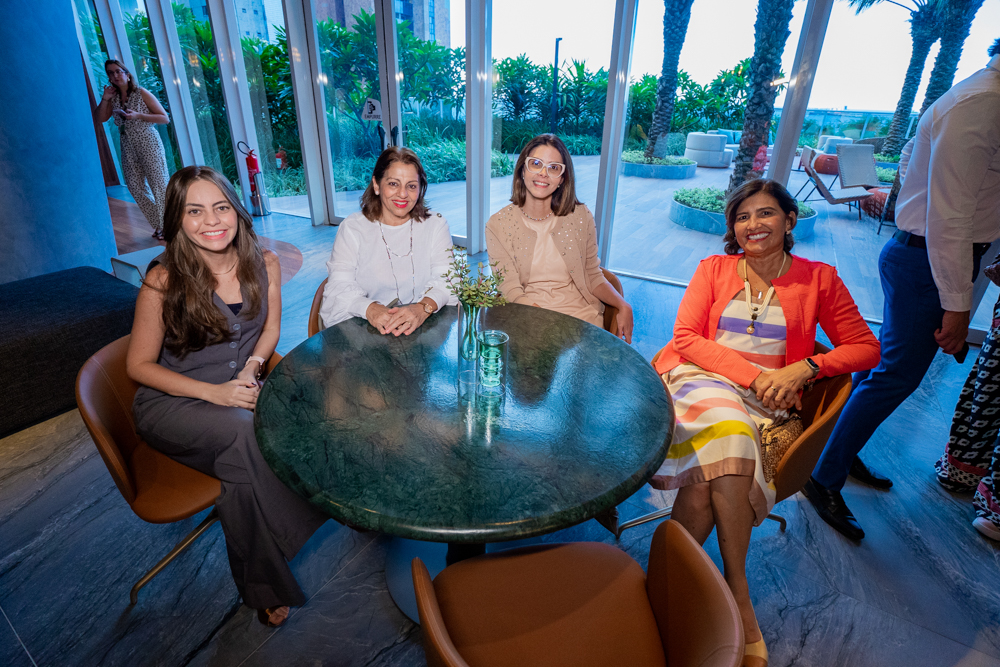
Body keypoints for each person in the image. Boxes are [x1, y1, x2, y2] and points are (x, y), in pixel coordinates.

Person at [651, 179, 879, 667]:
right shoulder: (713, 268)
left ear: (790, 221)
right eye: (742, 216)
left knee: (705, 483)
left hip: (772, 405)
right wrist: (755, 376)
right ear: (733, 227)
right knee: (731, 434)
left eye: (766, 214)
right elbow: (687, 338)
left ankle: (664, 586)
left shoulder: (820, 279)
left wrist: (807, 367)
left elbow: (867, 347)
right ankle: (738, 591)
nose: (753, 224)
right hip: (698, 381)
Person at [807, 38, 1000, 541]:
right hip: (926, 262)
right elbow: (950, 218)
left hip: (930, 258)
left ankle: (839, 453)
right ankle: (821, 476)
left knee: (888, 374)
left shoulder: (974, 98)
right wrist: (958, 307)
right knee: (895, 377)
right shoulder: (978, 105)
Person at [128, 166, 327, 628]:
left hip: (237, 389)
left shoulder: (266, 262)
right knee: (246, 435)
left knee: (240, 473)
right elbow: (138, 367)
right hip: (172, 403)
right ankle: (322, 513)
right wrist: (214, 393)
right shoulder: (163, 280)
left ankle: (262, 585)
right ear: (177, 219)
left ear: (237, 212)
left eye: (221, 207)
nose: (211, 220)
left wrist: (253, 368)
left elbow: (271, 329)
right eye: (194, 210)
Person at [485, 134, 634, 341]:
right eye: (536, 164)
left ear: (562, 179)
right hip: (529, 319)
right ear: (522, 170)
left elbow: (593, 275)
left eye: (554, 168)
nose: (543, 174)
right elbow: (510, 290)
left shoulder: (581, 216)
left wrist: (622, 304)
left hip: (580, 321)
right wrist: (548, 323)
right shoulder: (498, 225)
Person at [320, 147, 456, 332]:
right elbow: (338, 287)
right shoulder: (353, 228)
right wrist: (370, 309)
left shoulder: (435, 225)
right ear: (376, 185)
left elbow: (449, 280)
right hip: (368, 329)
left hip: (421, 327)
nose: (402, 194)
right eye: (393, 184)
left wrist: (423, 307)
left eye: (411, 186)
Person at [93, 59, 171, 239]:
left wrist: (138, 115)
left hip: (147, 140)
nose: (115, 75)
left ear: (127, 74)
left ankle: (167, 226)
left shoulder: (141, 92)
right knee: (135, 186)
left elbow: (164, 118)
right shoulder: (112, 98)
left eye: (118, 71)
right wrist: (105, 98)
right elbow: (100, 118)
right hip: (127, 143)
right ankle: (161, 223)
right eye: (111, 73)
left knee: (159, 185)